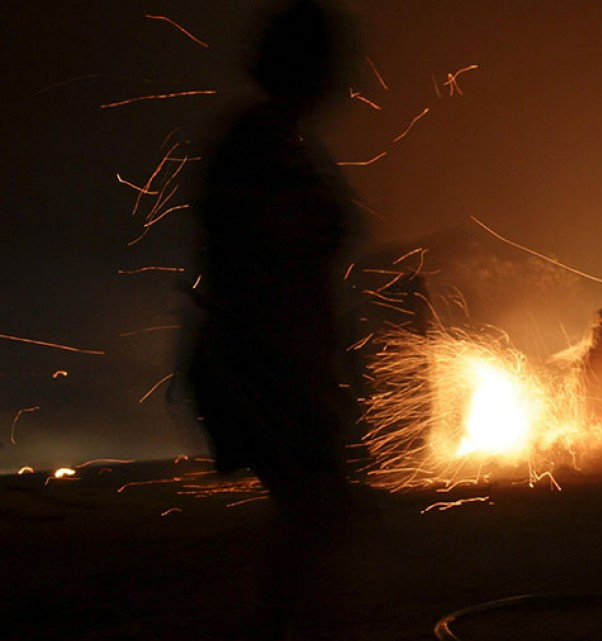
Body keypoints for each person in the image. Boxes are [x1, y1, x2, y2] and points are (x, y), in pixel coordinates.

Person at [184, 1, 362, 637]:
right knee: (318, 512)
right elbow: (266, 273)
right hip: (259, 366)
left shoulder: (275, 141)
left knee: (318, 515)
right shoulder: (263, 145)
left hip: (267, 364)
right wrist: (301, 375)